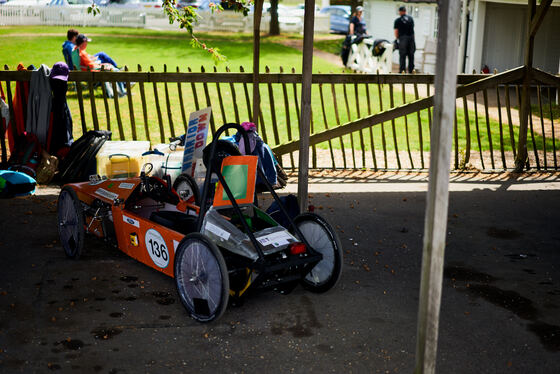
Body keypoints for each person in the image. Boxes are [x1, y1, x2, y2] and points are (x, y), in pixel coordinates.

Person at [394, 6, 415, 73]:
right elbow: (413, 31)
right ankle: (411, 71)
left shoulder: (398, 20)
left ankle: (402, 71)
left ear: (400, 12)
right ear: (405, 11)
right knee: (411, 55)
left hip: (403, 39)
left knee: (402, 56)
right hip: (411, 39)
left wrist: (397, 39)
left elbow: (396, 31)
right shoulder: (411, 19)